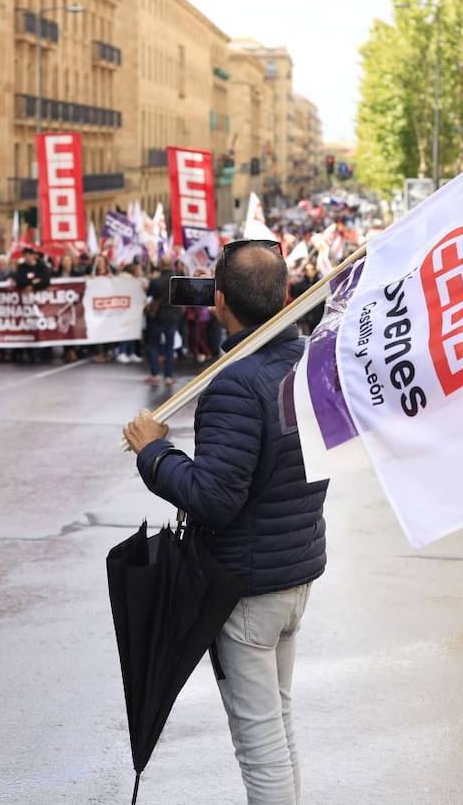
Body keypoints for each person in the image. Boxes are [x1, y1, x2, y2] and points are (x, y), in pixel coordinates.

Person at [122, 240, 327, 804]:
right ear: (286, 295)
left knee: (260, 743)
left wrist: (153, 452)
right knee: (277, 725)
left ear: (218, 301)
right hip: (292, 570)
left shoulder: (236, 381)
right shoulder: (309, 359)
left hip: (249, 587)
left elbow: (213, 500)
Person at [144, 259, 182, 387]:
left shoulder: (155, 281)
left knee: (153, 344)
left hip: (157, 316)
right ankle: (168, 377)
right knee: (169, 346)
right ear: (171, 265)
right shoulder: (177, 280)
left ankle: (155, 374)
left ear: (160, 265)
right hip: (173, 315)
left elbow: (149, 295)